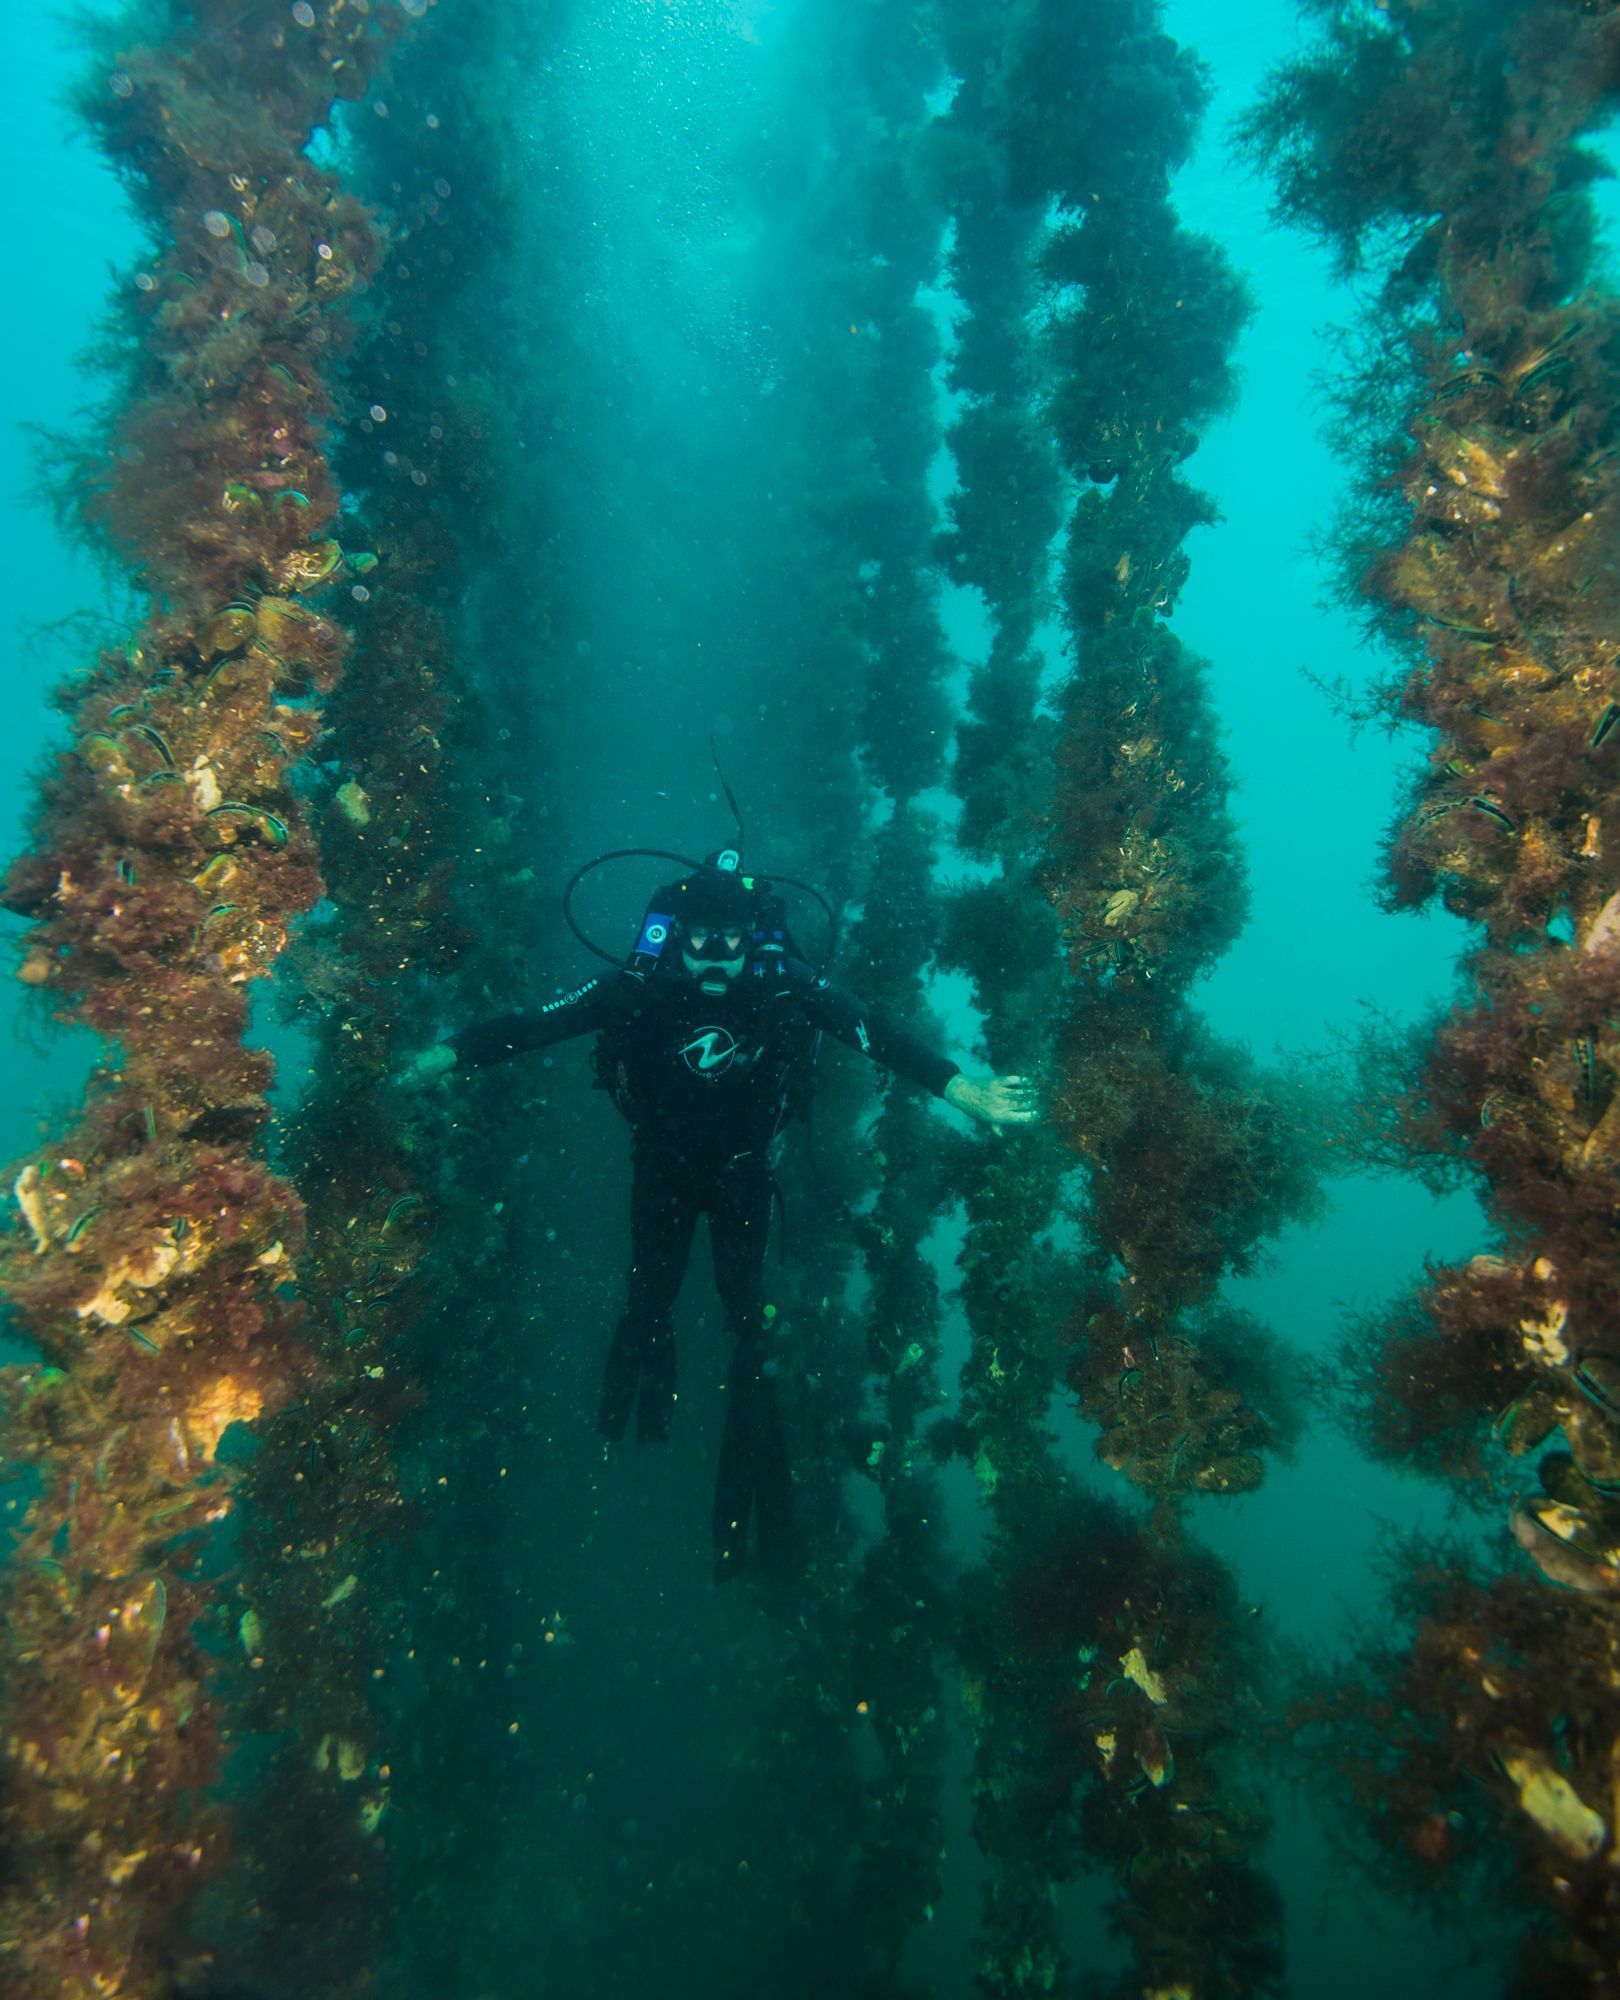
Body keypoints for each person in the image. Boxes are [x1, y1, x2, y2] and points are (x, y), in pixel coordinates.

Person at [400, 851, 1038, 1579]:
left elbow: (871, 1029)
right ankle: (634, 1408)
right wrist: (439, 1059)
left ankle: (749, 1477)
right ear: (676, 935)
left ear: (751, 937)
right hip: (662, 1176)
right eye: (698, 939)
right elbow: (535, 1024)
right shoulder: (641, 987)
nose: (712, 955)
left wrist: (964, 1092)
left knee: (745, 1318)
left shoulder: (783, 987)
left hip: (740, 1183)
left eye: (728, 941)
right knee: (649, 1297)